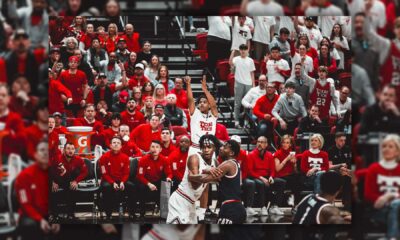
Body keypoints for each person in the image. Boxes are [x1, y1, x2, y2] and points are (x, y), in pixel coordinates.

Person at [191, 140, 247, 224]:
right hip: (235, 207)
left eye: (225, 147)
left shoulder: (228, 164)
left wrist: (191, 176)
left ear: (231, 153)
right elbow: (216, 178)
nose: (221, 148)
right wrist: (207, 170)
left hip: (231, 208)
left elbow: (205, 179)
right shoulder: (234, 164)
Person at [166, 134, 219, 224]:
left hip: (192, 203)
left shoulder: (215, 162)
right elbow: (195, 185)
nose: (206, 150)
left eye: (209, 147)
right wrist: (206, 172)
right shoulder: (194, 158)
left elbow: (216, 181)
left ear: (214, 148)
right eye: (203, 147)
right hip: (180, 200)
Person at [16, 141, 61, 240]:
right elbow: (25, 204)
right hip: (31, 215)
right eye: (42, 150)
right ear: (35, 155)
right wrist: (40, 219)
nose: (45, 153)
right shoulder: (24, 176)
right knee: (29, 225)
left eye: (48, 151)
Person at [364, 134, 400, 240]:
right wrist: (380, 200)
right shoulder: (373, 168)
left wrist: (389, 196)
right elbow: (368, 194)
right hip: (380, 210)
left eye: (390, 146)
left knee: (396, 204)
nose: (386, 149)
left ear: (397, 151)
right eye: (384, 146)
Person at [247, 136, 286, 216]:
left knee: (281, 182)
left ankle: (274, 206)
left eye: (262, 142)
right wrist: (262, 178)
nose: (259, 144)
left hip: (267, 176)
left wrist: (271, 177)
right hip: (256, 177)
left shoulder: (269, 155)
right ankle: (263, 207)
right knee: (261, 184)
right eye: (258, 142)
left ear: (266, 144)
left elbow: (272, 170)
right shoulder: (251, 155)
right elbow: (250, 171)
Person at [50, 142, 88, 219]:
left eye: (72, 149)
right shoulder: (57, 158)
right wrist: (52, 182)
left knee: (73, 188)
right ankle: (54, 215)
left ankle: (70, 214)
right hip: (57, 180)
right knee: (52, 190)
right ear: (64, 150)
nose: (70, 151)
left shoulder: (78, 159)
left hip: (70, 180)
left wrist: (76, 181)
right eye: (68, 148)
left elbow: (85, 172)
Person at [136, 140, 172, 216]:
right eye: (152, 147)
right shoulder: (143, 160)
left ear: (160, 149)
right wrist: (148, 184)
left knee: (166, 184)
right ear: (149, 148)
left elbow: (169, 173)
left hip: (157, 181)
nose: (154, 149)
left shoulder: (164, 160)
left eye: (157, 147)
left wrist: (169, 178)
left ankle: (164, 213)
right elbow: (140, 176)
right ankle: (142, 213)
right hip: (145, 181)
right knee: (141, 186)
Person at [99, 136, 131, 219]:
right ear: (110, 145)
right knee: (107, 187)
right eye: (114, 143)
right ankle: (108, 214)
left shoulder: (125, 157)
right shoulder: (104, 157)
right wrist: (112, 183)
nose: (116, 144)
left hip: (121, 180)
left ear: (121, 146)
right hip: (108, 180)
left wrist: (123, 182)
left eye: (118, 143)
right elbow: (104, 173)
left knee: (132, 186)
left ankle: (132, 212)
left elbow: (126, 173)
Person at [185, 75, 218, 157]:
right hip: (196, 148)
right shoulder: (195, 113)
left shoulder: (213, 115)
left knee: (211, 170)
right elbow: (190, 100)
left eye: (204, 102)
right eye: (200, 102)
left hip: (210, 149)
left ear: (209, 105)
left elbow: (214, 105)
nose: (202, 104)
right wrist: (188, 84)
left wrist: (205, 90)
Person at [230, 44, 256, 128]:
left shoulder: (250, 60)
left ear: (247, 50)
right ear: (240, 50)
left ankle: (246, 121)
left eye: (245, 49)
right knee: (237, 103)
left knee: (247, 104)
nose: (243, 51)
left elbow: (252, 73)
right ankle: (236, 121)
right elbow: (230, 63)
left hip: (248, 83)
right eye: (241, 49)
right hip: (238, 82)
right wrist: (233, 52)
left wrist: (253, 84)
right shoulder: (236, 59)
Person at [273, 135, 302, 206]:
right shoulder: (278, 153)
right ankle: (294, 201)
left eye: (287, 143)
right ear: (281, 143)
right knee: (295, 179)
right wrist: (286, 159)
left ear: (290, 144)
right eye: (283, 142)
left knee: (298, 177)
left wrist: (294, 164)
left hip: (290, 176)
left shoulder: (292, 154)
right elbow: (277, 169)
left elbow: (295, 171)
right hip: (280, 176)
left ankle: (296, 203)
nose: (285, 144)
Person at [328, 132, 352, 210]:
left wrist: (347, 170)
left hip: (347, 171)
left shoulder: (348, 149)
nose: (343, 142)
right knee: (344, 177)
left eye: (344, 140)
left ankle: (347, 204)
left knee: (348, 178)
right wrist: (339, 167)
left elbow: (350, 163)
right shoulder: (331, 150)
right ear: (336, 140)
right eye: (341, 140)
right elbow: (329, 166)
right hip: (335, 172)